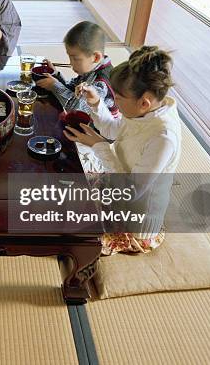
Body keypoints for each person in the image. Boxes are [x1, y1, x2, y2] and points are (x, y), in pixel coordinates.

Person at [64, 46, 182, 255]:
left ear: (144, 102)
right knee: (64, 180)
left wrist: (99, 146)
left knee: (63, 228)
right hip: (117, 186)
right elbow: (114, 128)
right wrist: (96, 103)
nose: (115, 102)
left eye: (118, 99)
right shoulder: (143, 113)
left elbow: (131, 193)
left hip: (135, 220)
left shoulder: (163, 138)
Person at [36, 21, 118, 116]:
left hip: (98, 129)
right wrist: (55, 75)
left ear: (95, 57)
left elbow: (76, 109)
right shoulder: (91, 68)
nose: (71, 63)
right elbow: (72, 89)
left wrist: (55, 86)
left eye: (75, 59)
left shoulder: (101, 83)